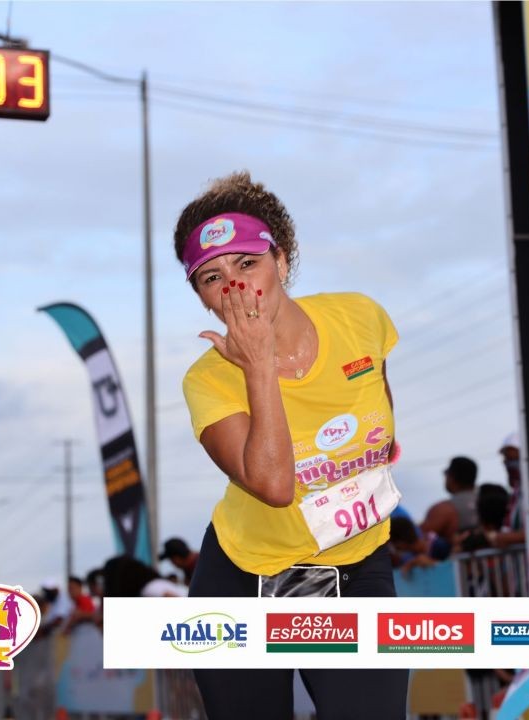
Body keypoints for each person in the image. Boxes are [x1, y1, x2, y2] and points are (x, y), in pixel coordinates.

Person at [174, 171, 408, 720]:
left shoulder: (360, 318)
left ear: (281, 260)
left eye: (247, 263)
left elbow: (384, 426)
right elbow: (275, 487)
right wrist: (258, 363)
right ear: (201, 296)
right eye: (212, 277)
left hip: (357, 568)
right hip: (244, 582)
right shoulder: (207, 380)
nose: (235, 287)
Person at [421, 457, 479, 541]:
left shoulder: (443, 509)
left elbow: (417, 539)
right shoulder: (490, 501)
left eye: (446, 473)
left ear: (452, 477)